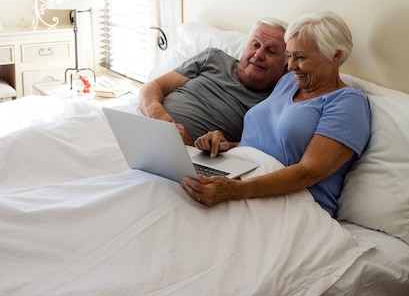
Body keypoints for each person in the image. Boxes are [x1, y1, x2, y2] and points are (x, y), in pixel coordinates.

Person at [181, 11, 371, 216]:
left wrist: (234, 190)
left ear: (335, 56)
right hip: (240, 179)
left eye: (300, 57)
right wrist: (226, 145)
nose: (290, 66)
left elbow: (309, 172)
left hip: (292, 201)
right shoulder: (288, 82)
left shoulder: (348, 102)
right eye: (289, 56)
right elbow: (270, 144)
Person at [138, 18, 288, 145]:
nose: (259, 54)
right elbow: (153, 86)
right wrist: (157, 113)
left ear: (285, 66)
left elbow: (262, 146)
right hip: (144, 121)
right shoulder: (213, 57)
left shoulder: (275, 99)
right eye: (255, 45)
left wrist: (226, 145)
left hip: (185, 153)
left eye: (271, 51)